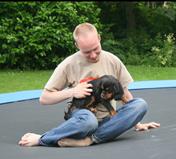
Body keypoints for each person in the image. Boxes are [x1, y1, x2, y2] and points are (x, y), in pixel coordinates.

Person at [18, 22, 160, 147]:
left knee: (140, 104)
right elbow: (44, 98)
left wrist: (136, 123)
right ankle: (43, 139)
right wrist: (73, 91)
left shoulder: (113, 60)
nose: (93, 55)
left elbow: (125, 94)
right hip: (83, 115)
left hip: (109, 119)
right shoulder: (68, 64)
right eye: (87, 52)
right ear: (76, 45)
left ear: (99, 38)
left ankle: (90, 139)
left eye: (96, 49)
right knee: (89, 122)